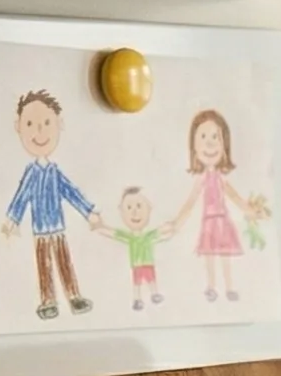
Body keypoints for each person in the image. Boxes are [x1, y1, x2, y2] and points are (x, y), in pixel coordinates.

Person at [0, 89, 103, 320]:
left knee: (65, 262)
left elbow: (72, 192)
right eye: (31, 124)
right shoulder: (31, 173)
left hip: (58, 229)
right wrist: (11, 220)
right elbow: (21, 196)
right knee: (44, 266)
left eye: (47, 123)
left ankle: (74, 296)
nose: (39, 131)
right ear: (19, 127)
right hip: (40, 232)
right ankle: (48, 301)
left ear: (59, 124)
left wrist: (89, 213)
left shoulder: (55, 172)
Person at [170, 109, 253, 304]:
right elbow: (190, 203)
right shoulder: (201, 180)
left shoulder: (221, 178)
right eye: (203, 137)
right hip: (208, 222)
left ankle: (230, 286)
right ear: (194, 147)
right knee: (209, 255)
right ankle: (211, 286)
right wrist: (177, 223)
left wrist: (249, 210)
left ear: (225, 144)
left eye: (215, 137)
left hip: (222, 220)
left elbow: (234, 196)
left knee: (224, 255)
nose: (210, 142)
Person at [102, 187, 176, 310]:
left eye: (139, 206)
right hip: (136, 264)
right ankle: (137, 299)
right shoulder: (129, 237)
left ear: (149, 208)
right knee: (137, 282)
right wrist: (100, 228)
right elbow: (113, 233)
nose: (134, 212)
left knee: (151, 279)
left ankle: (154, 294)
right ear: (121, 211)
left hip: (148, 263)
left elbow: (160, 234)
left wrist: (170, 231)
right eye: (129, 208)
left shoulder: (148, 236)